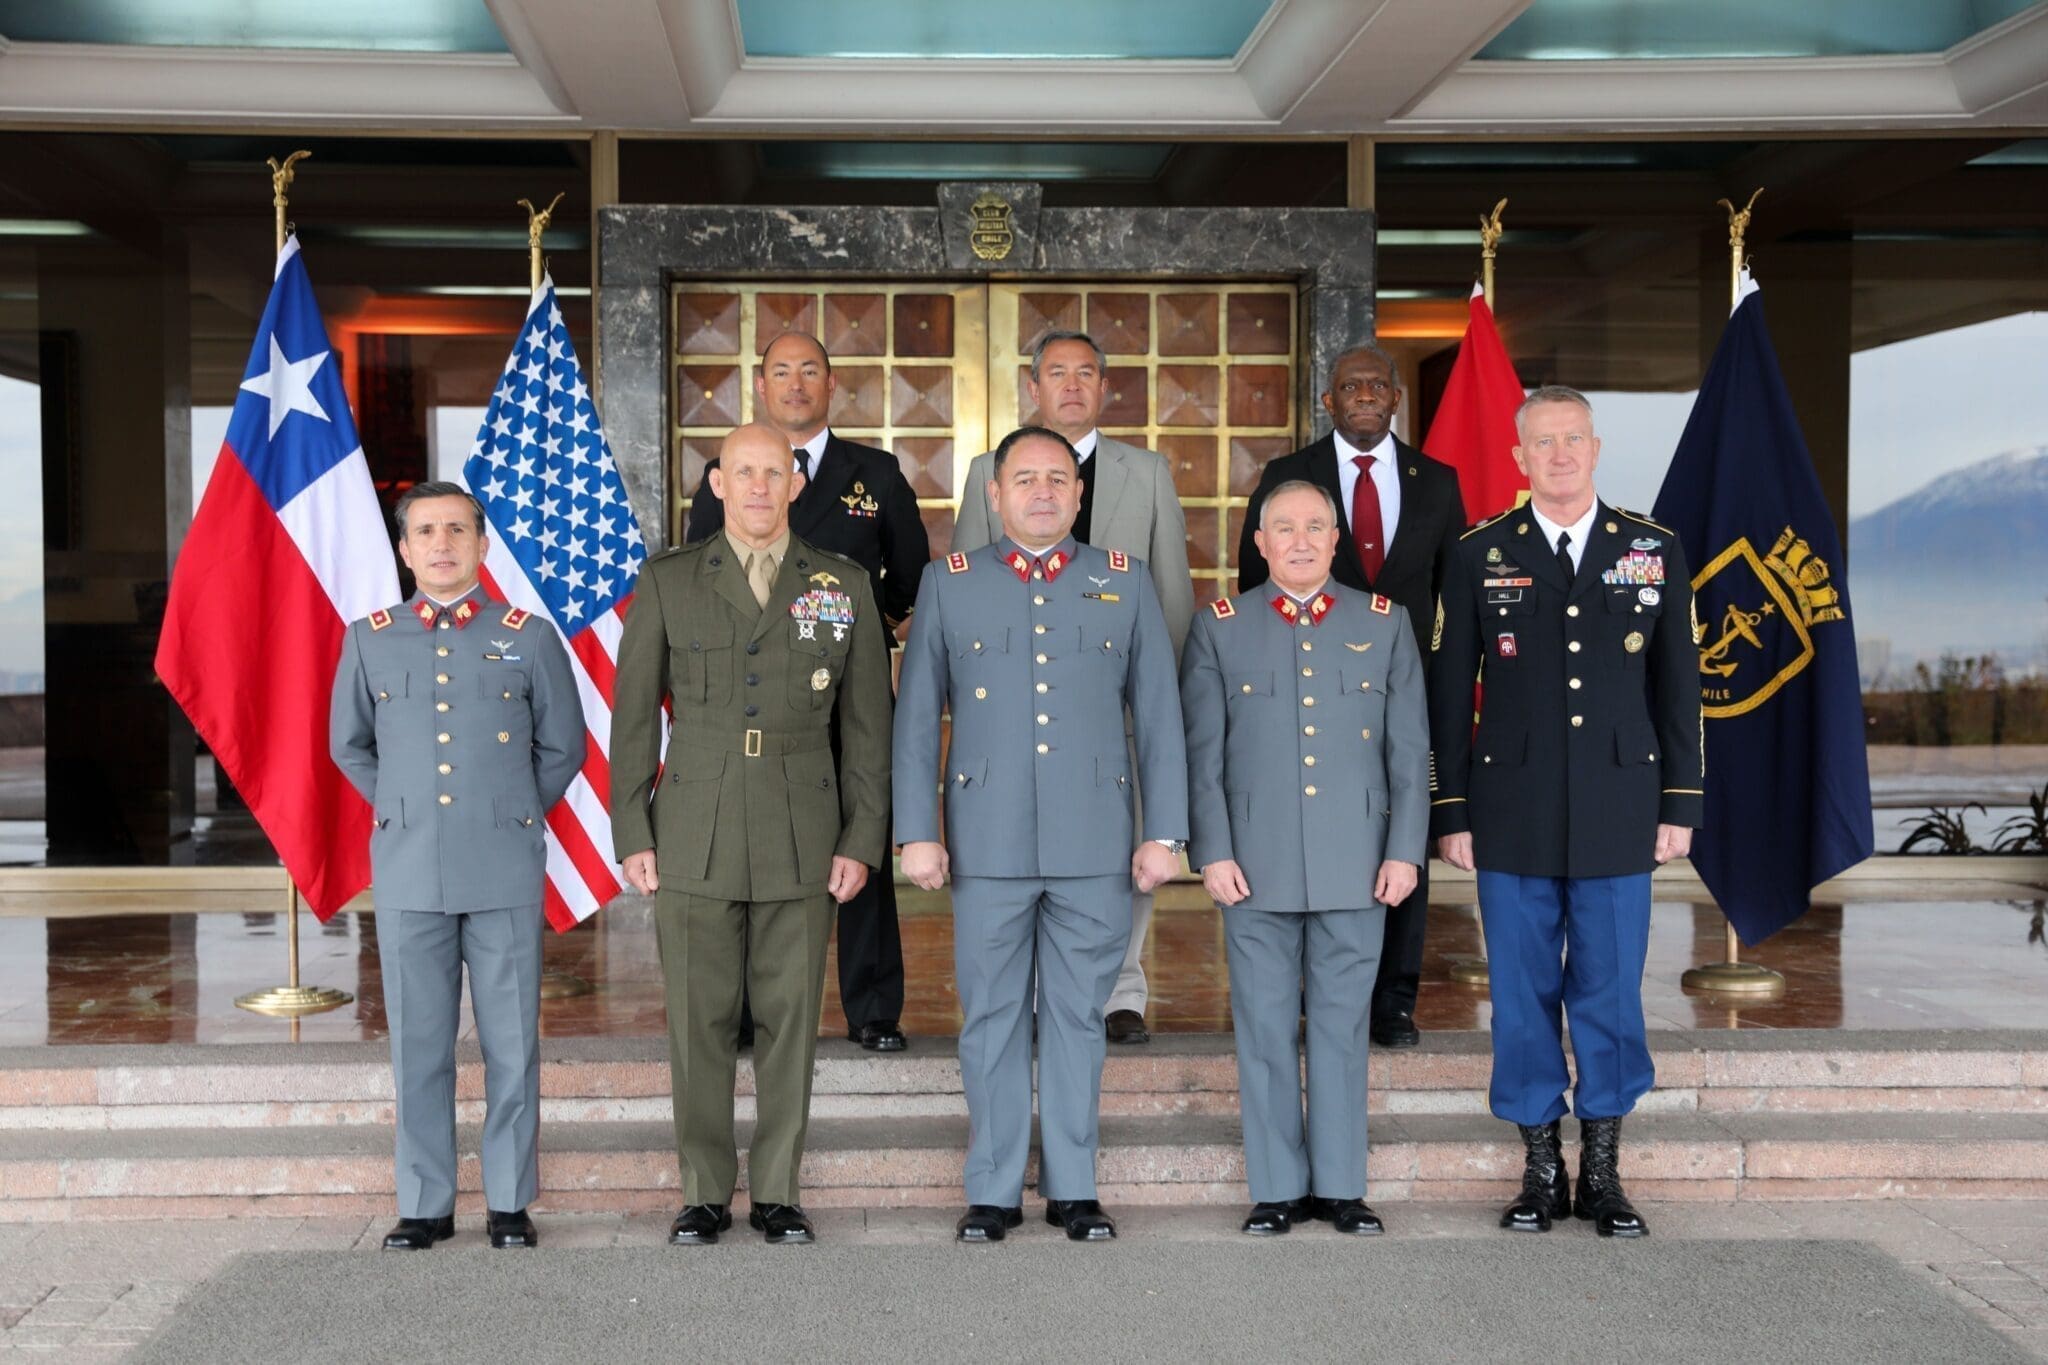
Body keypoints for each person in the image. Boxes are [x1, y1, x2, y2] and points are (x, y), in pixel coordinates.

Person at [897, 426, 1188, 1243]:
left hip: (1095, 842)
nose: (1042, 492)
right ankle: (992, 1189)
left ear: (1079, 493)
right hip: (986, 841)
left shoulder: (1123, 580)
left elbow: (1159, 716)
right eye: (1024, 478)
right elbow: (916, 717)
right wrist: (916, 829)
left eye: (1058, 478)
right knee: (990, 1017)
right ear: (994, 494)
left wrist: (1165, 832)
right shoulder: (949, 582)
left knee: (1077, 1018)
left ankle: (1073, 1185)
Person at [1428, 385, 1703, 1239]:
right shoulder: (1480, 551)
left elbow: (1680, 686)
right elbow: (1450, 692)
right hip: (1510, 807)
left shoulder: (1651, 548)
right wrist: (1451, 809)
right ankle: (1542, 1167)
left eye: (1571, 439)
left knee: (1611, 990)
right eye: (1541, 442)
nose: (1558, 454)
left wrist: (1681, 802)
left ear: (1595, 448)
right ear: (1519, 457)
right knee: (1520, 991)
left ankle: (1605, 1170)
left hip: (1623, 805)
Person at [611, 423, 892, 1246]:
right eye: (744, 471)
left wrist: (862, 836)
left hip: (803, 826)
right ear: (718, 483)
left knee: (790, 1018)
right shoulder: (669, 580)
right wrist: (632, 827)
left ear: (797, 484)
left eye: (775, 471)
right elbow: (634, 717)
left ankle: (776, 1190)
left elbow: (867, 727)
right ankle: (703, 1191)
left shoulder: (841, 583)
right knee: (697, 1019)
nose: (760, 486)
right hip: (692, 825)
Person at [330, 480, 585, 1252]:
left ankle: (509, 1200)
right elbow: (349, 745)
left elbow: (564, 746)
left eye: (456, 530)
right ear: (404, 550)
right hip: (410, 867)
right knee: (418, 1042)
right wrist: (405, 807)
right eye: (425, 532)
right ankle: (425, 1202)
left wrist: (509, 808)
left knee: (512, 1042)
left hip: (502, 863)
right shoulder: (370, 638)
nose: (441, 544)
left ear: (481, 544)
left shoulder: (528, 637)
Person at [1183, 480, 1428, 1238]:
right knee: (1262, 1026)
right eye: (1283, 528)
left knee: (1342, 1026)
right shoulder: (1219, 628)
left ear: (1334, 540)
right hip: (1252, 867)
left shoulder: (1384, 622)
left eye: (1315, 527)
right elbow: (1202, 757)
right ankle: (1277, 1188)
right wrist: (1212, 851)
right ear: (1259, 543)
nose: (1299, 540)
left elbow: (1408, 751)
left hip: (1358, 862)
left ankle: (1342, 1186)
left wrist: (1405, 852)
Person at [687, 330, 928, 1053]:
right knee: (748, 849)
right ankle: (742, 1011)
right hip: (756, 695)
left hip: (847, 695)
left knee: (860, 841)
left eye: (810, 370)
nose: (796, 383)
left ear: (831, 383)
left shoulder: (876, 473)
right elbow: (703, 574)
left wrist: (858, 634)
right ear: (761, 385)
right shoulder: (724, 473)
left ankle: (873, 1007)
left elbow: (910, 576)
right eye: (781, 371)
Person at [952, 330, 1194, 1045]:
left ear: (1105, 387)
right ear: (1033, 387)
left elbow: (1172, 595)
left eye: (1086, 373)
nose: (1071, 385)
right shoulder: (987, 471)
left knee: (1122, 855)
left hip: (1117, 704)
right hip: (1016, 705)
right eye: (1056, 372)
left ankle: (1121, 990)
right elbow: (966, 586)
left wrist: (1167, 700)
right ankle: (1034, 990)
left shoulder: (1146, 472)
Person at [1237, 344, 1465, 1050]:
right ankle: (1320, 996)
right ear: (1328, 399)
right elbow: (1254, 584)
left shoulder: (1438, 480)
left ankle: (1393, 1000)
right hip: (1309, 687)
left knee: (1402, 835)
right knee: (1317, 836)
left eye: (1377, 384)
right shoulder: (1287, 474)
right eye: (1349, 385)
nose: (1365, 394)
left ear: (1396, 396)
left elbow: (1454, 594)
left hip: (1405, 687)